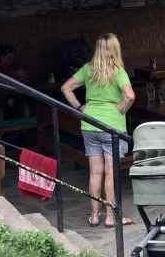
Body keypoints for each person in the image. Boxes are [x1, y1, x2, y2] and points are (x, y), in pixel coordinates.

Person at [61, 33, 136, 228]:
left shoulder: (88, 69)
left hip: (89, 125)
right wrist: (119, 109)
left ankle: (94, 216)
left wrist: (80, 108)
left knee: (95, 173)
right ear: (115, 49)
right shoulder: (118, 71)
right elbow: (130, 96)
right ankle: (111, 217)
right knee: (111, 173)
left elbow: (66, 88)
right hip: (111, 127)